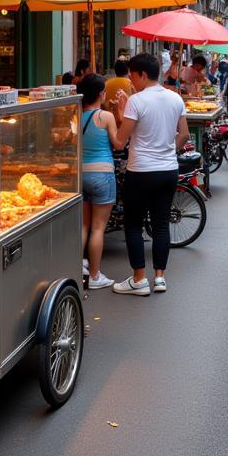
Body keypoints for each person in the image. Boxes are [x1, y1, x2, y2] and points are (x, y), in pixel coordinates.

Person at [111, 53, 189, 296]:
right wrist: (167, 151)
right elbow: (184, 134)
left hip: (141, 171)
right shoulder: (175, 98)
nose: (131, 81)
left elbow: (119, 141)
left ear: (143, 75)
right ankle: (160, 278)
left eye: (133, 75)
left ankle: (139, 279)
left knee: (134, 224)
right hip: (168, 170)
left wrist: (117, 114)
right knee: (161, 224)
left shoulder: (136, 101)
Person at [76, 74, 118, 290]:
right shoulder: (105, 116)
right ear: (101, 93)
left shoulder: (76, 116)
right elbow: (119, 143)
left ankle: (76, 269)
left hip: (80, 175)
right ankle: (94, 276)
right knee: (98, 228)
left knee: (84, 226)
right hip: (102, 174)